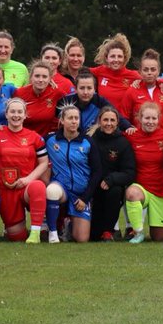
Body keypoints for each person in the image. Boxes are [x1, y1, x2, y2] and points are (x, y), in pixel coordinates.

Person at [0, 98, 49, 243]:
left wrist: (28, 179)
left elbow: (44, 162)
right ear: (6, 114)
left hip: (26, 185)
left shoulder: (34, 137)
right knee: (17, 237)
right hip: (7, 188)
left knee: (38, 187)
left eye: (20, 112)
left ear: (25, 115)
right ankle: (19, 228)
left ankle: (35, 233)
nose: (16, 115)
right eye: (12, 111)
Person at [44, 104, 101, 243]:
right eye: (70, 118)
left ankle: (68, 225)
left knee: (81, 238)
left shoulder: (87, 142)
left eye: (77, 118)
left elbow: (97, 172)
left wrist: (85, 198)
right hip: (61, 188)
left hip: (81, 194)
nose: (74, 121)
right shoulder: (50, 140)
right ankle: (52, 233)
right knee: (51, 190)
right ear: (62, 120)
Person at [124, 101, 163, 243]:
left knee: (160, 238)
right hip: (141, 189)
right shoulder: (131, 136)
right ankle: (137, 232)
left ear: (159, 119)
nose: (150, 122)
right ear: (139, 118)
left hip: (160, 191)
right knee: (131, 193)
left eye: (154, 118)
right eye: (147, 118)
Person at [88, 106, 135, 241]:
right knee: (91, 236)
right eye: (105, 120)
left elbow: (129, 172)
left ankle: (108, 231)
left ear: (117, 122)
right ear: (99, 121)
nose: (109, 123)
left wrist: (111, 179)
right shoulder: (91, 140)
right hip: (93, 186)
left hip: (111, 187)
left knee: (115, 191)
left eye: (112, 120)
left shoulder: (123, 143)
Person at [58, 70, 132, 133]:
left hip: (92, 139)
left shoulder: (100, 101)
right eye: (82, 88)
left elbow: (115, 115)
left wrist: (128, 127)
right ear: (76, 89)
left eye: (89, 88)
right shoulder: (65, 102)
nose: (85, 92)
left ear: (94, 89)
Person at [90, 33, 141, 110]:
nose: (116, 60)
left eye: (119, 56)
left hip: (123, 121)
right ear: (107, 58)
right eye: (113, 56)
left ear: (124, 58)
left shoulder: (134, 76)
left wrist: (162, 85)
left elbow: (151, 81)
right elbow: (78, 72)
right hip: (104, 119)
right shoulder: (100, 71)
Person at [122, 49, 163, 126]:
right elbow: (123, 117)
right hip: (139, 137)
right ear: (140, 71)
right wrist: (130, 130)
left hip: (162, 137)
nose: (149, 73)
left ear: (158, 71)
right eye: (145, 70)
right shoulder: (131, 91)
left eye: (153, 69)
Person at [15, 60, 61, 136]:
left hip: (47, 139)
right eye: (37, 76)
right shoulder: (19, 93)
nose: (40, 80)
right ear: (31, 77)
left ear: (50, 79)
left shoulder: (57, 93)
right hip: (24, 138)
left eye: (44, 77)